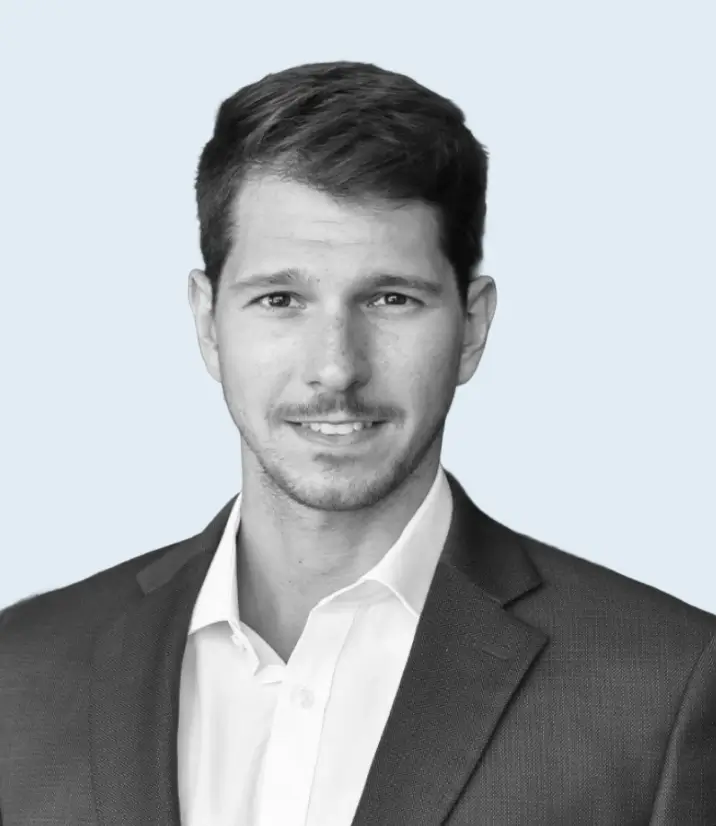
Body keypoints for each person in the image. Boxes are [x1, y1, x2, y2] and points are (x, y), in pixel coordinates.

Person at [0, 60, 714, 826]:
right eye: (281, 299)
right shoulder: (23, 669)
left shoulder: (661, 685)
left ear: (471, 327)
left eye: (391, 298)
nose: (336, 366)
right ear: (208, 323)